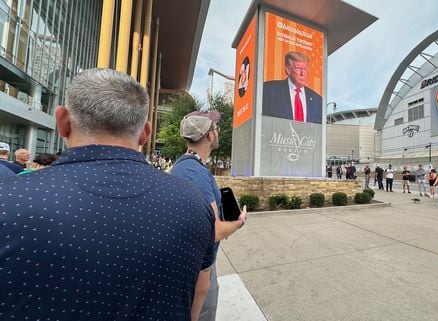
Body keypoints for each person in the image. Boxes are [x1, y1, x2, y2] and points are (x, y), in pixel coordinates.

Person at [0, 69, 215, 321]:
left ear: (62, 121)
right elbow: (200, 291)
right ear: (145, 133)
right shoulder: (192, 203)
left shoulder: (9, 200)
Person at [170, 111, 247, 321]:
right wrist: (239, 221)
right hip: (198, 269)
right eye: (215, 127)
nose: (218, 131)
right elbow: (213, 231)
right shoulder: (194, 173)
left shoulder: (187, 167)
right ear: (210, 136)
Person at [262, 51, 323, 124]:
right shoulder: (269, 90)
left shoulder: (317, 100)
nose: (302, 73)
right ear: (288, 70)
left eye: (305, 69)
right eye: (298, 68)